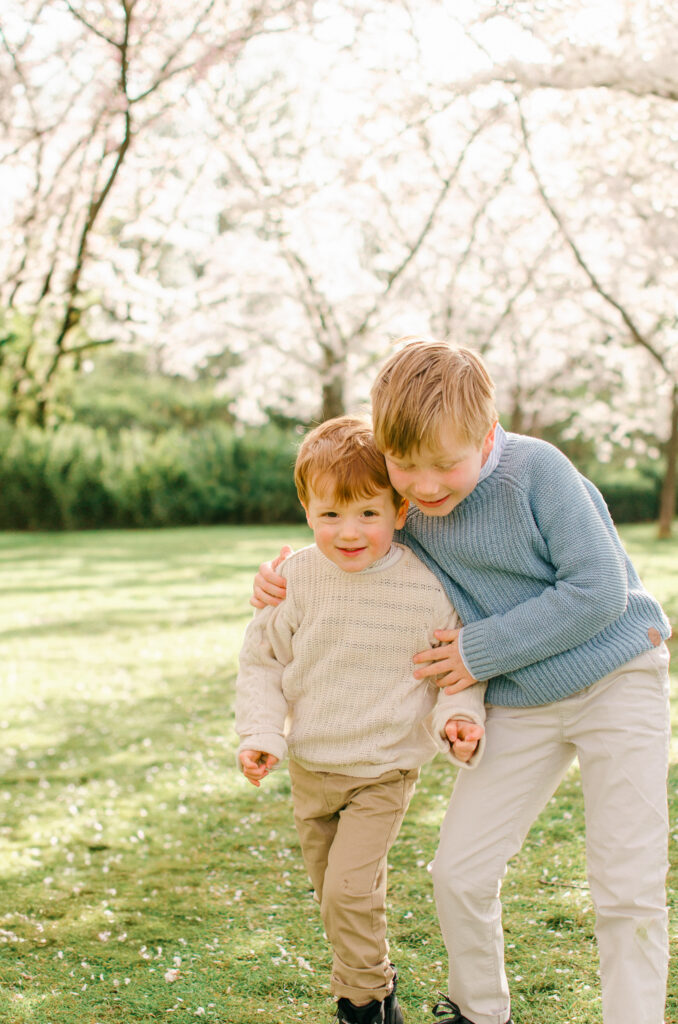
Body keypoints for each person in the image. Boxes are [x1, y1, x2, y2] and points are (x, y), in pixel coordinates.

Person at [251, 338, 672, 1024]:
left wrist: (479, 649)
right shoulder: (408, 501)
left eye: (445, 464)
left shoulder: (539, 471)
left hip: (618, 675)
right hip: (521, 700)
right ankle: (480, 1014)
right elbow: (352, 536)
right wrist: (282, 578)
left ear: (486, 434)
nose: (423, 485)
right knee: (459, 873)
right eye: (405, 466)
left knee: (625, 884)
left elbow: (598, 590)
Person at [236, 415, 486, 1024]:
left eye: (368, 514)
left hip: (383, 770)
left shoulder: (426, 588)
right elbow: (262, 660)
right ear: (306, 510)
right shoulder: (293, 580)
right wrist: (263, 734)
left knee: (348, 892)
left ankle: (364, 1005)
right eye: (330, 515)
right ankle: (378, 991)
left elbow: (452, 667)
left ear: (400, 511)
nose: (349, 532)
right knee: (336, 898)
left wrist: (458, 717)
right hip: (311, 767)